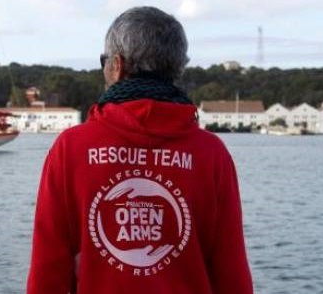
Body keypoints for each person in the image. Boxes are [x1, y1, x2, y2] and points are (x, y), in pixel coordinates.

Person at [27, 6, 252, 294]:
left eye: (103, 62)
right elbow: (231, 273)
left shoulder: (71, 149)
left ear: (117, 65)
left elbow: (48, 272)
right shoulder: (211, 154)